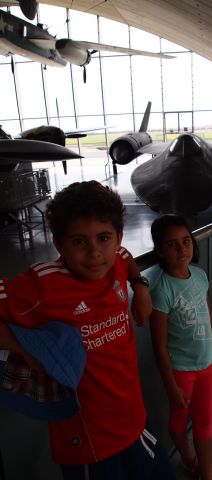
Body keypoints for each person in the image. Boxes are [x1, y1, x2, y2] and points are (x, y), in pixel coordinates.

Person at [0, 180, 176, 480]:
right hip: (89, 442)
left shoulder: (116, 261)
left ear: (118, 238)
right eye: (79, 241)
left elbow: (125, 259)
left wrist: (140, 286)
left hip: (133, 422)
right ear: (59, 244)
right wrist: (28, 352)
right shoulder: (44, 285)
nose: (95, 252)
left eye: (104, 238)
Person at [149, 214, 212, 480]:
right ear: (159, 251)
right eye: (172, 244)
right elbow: (159, 345)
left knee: (204, 422)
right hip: (181, 371)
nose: (182, 249)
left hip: (206, 365)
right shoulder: (162, 290)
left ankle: (204, 471)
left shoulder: (200, 276)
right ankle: (189, 458)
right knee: (179, 421)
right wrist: (170, 384)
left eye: (186, 241)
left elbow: (208, 315)